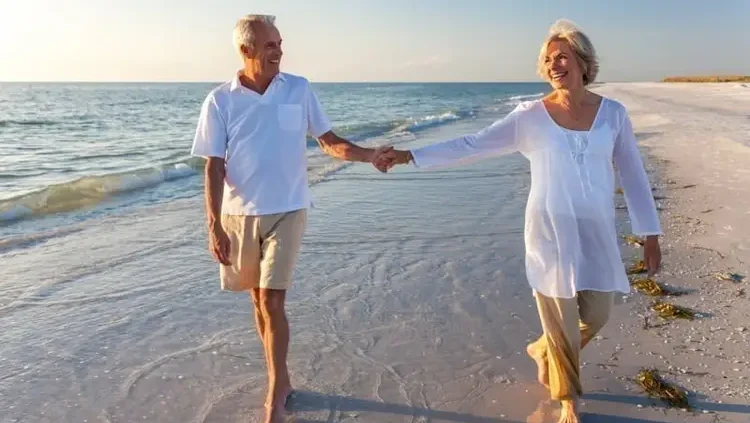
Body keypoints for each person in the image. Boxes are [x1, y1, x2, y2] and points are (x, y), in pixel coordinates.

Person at [378, 19, 662, 423]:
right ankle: (568, 403)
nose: (553, 64)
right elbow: (472, 144)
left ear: (583, 61)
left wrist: (649, 233)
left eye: (561, 56)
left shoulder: (613, 114)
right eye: (547, 59)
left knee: (596, 315)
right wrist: (411, 155)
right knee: (561, 321)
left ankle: (542, 348)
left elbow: (633, 173)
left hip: (595, 233)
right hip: (549, 231)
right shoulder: (529, 116)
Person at [190, 14, 391, 423]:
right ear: (246, 50)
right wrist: (213, 225)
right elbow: (212, 166)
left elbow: (328, 142)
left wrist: (369, 155)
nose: (279, 50)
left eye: (280, 43)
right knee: (256, 301)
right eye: (270, 45)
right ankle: (278, 375)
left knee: (272, 299)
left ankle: (276, 389)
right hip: (238, 214)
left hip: (289, 208)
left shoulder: (298, 89)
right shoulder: (220, 100)